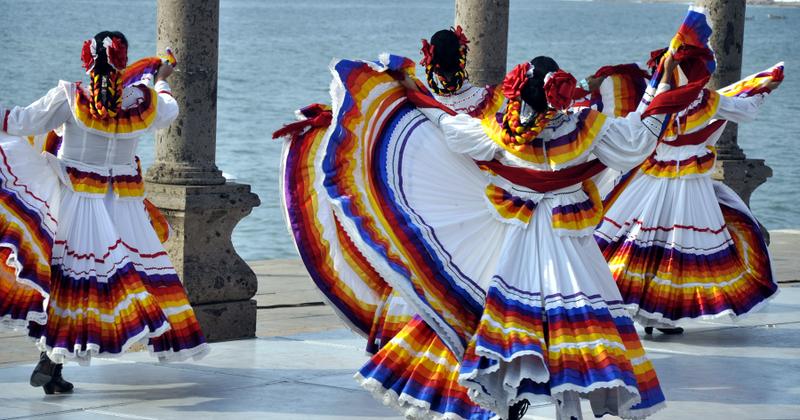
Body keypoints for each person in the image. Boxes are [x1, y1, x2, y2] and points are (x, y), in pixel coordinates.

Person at [276, 26, 503, 419]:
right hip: (477, 211)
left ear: (429, 59)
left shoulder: (415, 99)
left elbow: (367, 124)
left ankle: (412, 362)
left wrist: (328, 125)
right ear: (463, 59)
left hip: (423, 210)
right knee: (471, 287)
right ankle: (470, 366)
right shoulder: (488, 101)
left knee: (417, 277)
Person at [0, 31, 208, 394]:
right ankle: (54, 362)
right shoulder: (143, 101)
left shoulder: (70, 97)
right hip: (123, 206)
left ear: (86, 61)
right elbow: (168, 109)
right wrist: (159, 80)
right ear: (123, 63)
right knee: (130, 280)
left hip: (75, 202)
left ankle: (50, 362)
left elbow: (20, 122)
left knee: (68, 285)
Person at [594, 52, 783, 335]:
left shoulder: (658, 100)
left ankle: (647, 313)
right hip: (690, 187)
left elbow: (634, 128)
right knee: (678, 251)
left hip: (652, 181)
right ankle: (662, 315)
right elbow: (745, 110)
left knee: (638, 243)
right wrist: (764, 90)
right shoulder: (707, 101)